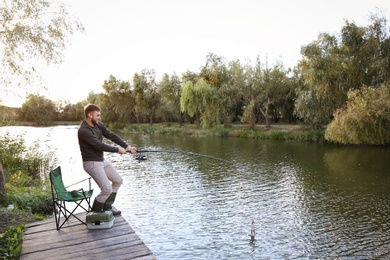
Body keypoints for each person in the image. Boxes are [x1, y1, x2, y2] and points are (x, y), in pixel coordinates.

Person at [78, 104, 136, 216]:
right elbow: (99, 145)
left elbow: (111, 135)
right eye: (97, 115)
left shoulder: (98, 125)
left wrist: (127, 147)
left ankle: (107, 207)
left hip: (100, 161)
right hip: (91, 163)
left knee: (118, 180)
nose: (99, 117)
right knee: (106, 189)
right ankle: (96, 213)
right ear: (90, 115)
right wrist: (117, 150)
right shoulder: (84, 131)